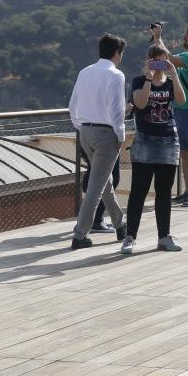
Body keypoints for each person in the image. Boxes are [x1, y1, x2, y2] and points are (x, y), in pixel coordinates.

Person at [120, 46, 186, 254]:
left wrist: (173, 73)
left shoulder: (170, 81)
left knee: (164, 191)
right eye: (156, 61)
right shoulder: (139, 81)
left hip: (168, 140)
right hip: (145, 140)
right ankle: (130, 237)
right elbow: (139, 104)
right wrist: (149, 78)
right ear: (149, 61)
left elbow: (182, 100)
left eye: (164, 61)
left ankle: (164, 236)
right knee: (138, 190)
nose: (161, 66)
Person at [68, 33, 128, 250]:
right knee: (96, 185)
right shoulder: (116, 75)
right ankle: (80, 234)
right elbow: (117, 110)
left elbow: (72, 105)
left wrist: (80, 126)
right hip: (106, 135)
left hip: (85, 132)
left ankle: (121, 225)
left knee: (103, 180)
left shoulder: (85, 72)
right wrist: (120, 136)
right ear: (117, 53)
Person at [153, 24, 188, 208]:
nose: (184, 37)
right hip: (179, 107)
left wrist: (159, 38)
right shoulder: (187, 56)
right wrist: (157, 42)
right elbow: (167, 62)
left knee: (185, 152)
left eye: (187, 34)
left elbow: (172, 61)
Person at [81, 154, 121, 233]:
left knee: (95, 171)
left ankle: (92, 221)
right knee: (111, 177)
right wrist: (119, 142)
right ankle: (96, 221)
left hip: (90, 142)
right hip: (108, 144)